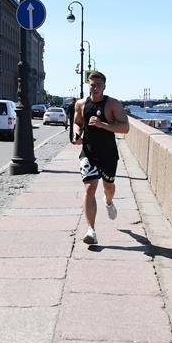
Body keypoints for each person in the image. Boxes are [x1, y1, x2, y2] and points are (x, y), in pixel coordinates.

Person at [71, 71, 130, 245]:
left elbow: (125, 127)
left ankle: (109, 201)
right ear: (88, 85)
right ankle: (91, 231)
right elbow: (77, 122)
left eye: (99, 85)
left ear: (104, 86)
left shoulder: (113, 104)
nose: (95, 88)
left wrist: (102, 124)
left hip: (108, 153)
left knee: (108, 186)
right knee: (89, 187)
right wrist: (76, 134)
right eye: (92, 84)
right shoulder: (81, 104)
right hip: (88, 152)